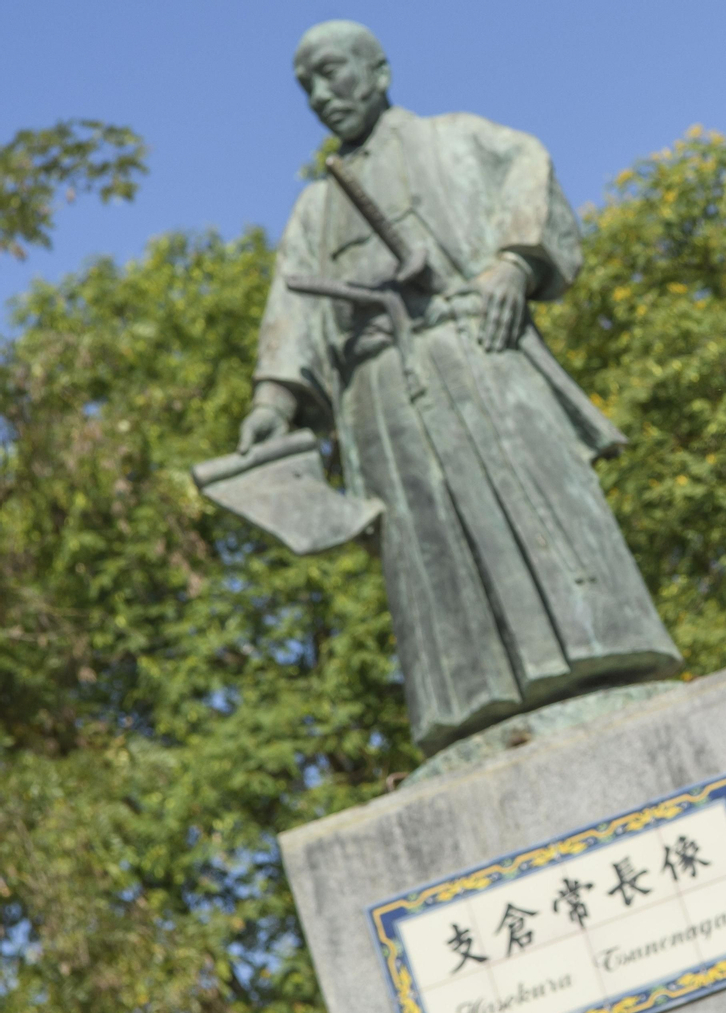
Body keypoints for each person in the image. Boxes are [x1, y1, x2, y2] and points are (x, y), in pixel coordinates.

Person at [237, 21, 679, 755]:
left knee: (540, 503)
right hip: (380, 398)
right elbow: (292, 309)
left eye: (333, 72)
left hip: (475, 350)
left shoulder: (453, 138)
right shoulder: (315, 207)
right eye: (306, 85)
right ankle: (468, 706)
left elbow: (525, 166)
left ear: (377, 72)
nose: (321, 94)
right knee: (426, 544)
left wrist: (511, 262)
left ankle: (607, 651)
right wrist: (270, 402)